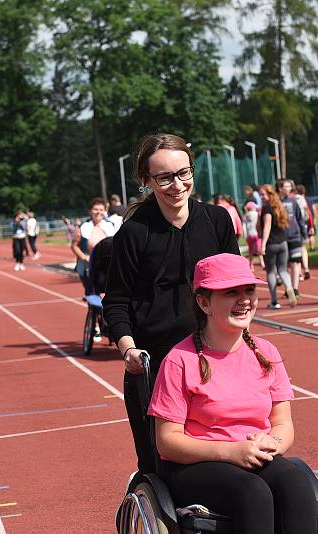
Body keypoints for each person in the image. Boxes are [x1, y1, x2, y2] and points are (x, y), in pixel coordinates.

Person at [148, 253, 317, 534]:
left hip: (253, 455)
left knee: (297, 484)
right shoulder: (179, 360)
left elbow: (284, 424)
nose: (245, 300)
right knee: (253, 493)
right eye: (231, 293)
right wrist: (231, 452)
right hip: (197, 464)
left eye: (249, 290)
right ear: (204, 302)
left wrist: (273, 443)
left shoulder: (267, 353)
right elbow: (167, 441)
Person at [103, 133, 239, 475]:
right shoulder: (134, 233)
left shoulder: (216, 221)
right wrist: (129, 350)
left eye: (184, 173)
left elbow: (237, 288)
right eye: (164, 177)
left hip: (214, 359)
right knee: (159, 463)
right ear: (147, 181)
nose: (177, 185)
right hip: (157, 365)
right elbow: (116, 302)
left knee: (225, 448)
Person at [259, 184, 297, 309]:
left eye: (263, 194)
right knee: (282, 270)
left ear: (270, 195)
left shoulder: (266, 208)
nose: (261, 197)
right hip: (283, 242)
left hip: (271, 244)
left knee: (271, 272)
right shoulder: (279, 205)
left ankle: (274, 301)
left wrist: (263, 244)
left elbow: (267, 225)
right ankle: (290, 288)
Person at [72, 198, 115, 293]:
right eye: (95, 209)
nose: (98, 212)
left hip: (108, 268)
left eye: (101, 209)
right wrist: (84, 257)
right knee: (93, 296)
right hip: (88, 268)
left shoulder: (111, 226)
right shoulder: (83, 227)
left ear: (105, 211)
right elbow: (74, 246)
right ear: (90, 211)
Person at [278, 180, 307, 299]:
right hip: (281, 237)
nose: (289, 188)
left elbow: (300, 218)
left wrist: (304, 234)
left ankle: (295, 289)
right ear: (280, 188)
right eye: (287, 186)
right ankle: (288, 288)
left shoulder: (293, 201)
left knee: (295, 263)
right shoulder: (276, 202)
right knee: (284, 265)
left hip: (294, 236)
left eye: (290, 186)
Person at [243, 201, 263, 270]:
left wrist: (245, 236)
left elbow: (244, 227)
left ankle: (251, 264)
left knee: (251, 250)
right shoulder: (256, 214)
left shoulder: (245, 216)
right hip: (256, 234)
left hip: (249, 235)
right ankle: (262, 263)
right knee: (259, 249)